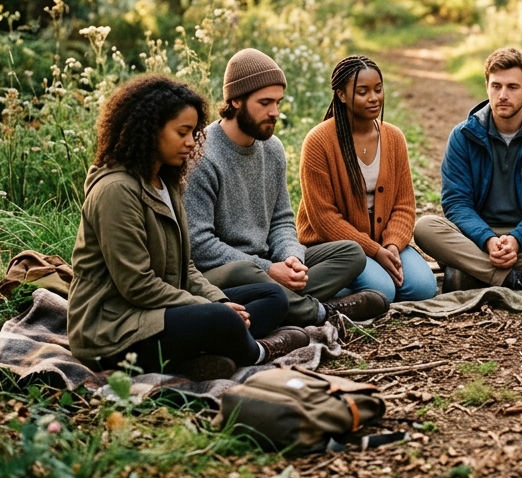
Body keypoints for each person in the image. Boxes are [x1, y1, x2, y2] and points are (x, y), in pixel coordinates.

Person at [68, 76, 309, 380]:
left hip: (160, 309)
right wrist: (210, 308)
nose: (192, 142)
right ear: (150, 130)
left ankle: (204, 357)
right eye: (182, 133)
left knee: (272, 296)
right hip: (113, 328)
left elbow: (188, 267)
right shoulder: (116, 190)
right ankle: (257, 351)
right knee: (221, 318)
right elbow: (137, 285)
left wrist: (219, 300)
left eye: (194, 133)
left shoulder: (166, 181)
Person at [185, 48, 388, 326]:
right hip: (222, 274)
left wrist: (292, 260)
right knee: (247, 271)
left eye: (278, 102)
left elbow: (281, 220)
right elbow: (199, 246)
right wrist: (269, 269)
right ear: (235, 101)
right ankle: (322, 312)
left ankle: (283, 303)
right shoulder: (202, 156)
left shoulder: (272, 148)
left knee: (351, 253)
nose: (275, 112)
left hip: (269, 261)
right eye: (265, 103)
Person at [414, 47, 522, 292]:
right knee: (425, 227)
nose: (503, 95)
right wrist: (487, 240)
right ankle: (517, 278)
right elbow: (456, 202)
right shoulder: (463, 135)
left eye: (512, 87)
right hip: (476, 236)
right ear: (486, 86)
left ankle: (474, 275)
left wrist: (518, 239)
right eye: (496, 86)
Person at [297, 55, 437, 304]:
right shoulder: (319, 142)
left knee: (423, 288)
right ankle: (330, 289)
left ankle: (353, 288)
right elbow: (324, 219)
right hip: (337, 247)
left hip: (383, 240)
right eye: (362, 92)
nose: (373, 98)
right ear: (341, 95)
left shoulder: (394, 138)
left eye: (378, 89)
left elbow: (404, 205)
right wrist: (374, 250)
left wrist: (392, 245)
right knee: (382, 290)